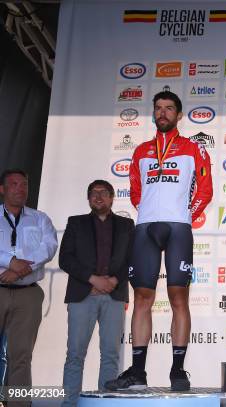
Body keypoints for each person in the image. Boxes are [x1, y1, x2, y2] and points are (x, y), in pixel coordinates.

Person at [105, 91, 213, 391]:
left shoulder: (194, 149)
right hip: (145, 229)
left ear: (179, 115)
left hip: (178, 228)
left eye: (169, 109)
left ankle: (178, 370)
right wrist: (151, 213)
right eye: (158, 108)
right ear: (153, 114)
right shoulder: (140, 151)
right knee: (142, 298)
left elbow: (205, 190)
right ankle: (138, 371)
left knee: (179, 298)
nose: (162, 113)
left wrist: (183, 214)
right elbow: (136, 192)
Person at [59, 180, 135, 406]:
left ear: (112, 198)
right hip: (83, 295)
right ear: (88, 198)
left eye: (103, 193)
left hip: (114, 295)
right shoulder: (76, 223)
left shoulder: (126, 225)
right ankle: (69, 403)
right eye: (93, 193)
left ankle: (106, 403)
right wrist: (92, 279)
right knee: (74, 356)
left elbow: (133, 258)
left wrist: (113, 280)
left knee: (111, 356)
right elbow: (65, 259)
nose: (98, 196)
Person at [0, 169, 58, 407]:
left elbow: (49, 247)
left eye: (24, 184)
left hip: (28, 293)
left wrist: (21, 269)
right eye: (13, 184)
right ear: (2, 189)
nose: (20, 189)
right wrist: (9, 261)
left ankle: (18, 405)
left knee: (21, 355)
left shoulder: (40, 218)